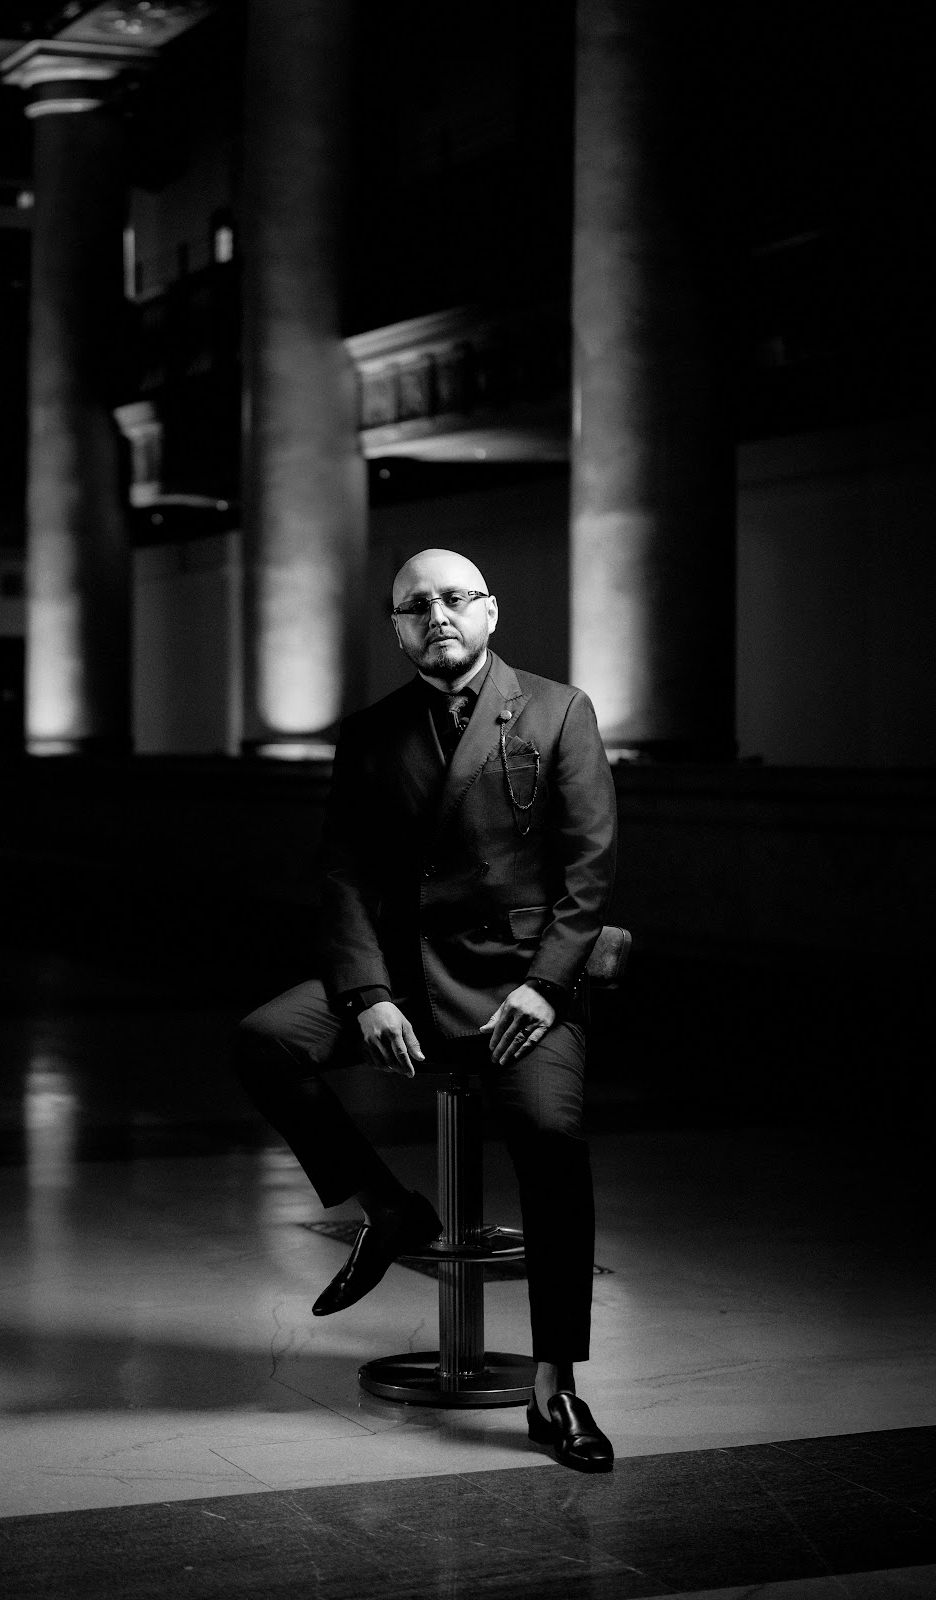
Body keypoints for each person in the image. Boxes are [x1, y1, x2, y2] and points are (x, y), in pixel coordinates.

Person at [236, 548, 618, 1472]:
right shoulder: (372, 733)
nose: (437, 615)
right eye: (417, 606)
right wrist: (367, 995)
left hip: (522, 982)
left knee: (551, 1137)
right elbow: (344, 876)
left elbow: (589, 869)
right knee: (266, 1039)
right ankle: (390, 1208)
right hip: (404, 975)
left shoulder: (559, 709)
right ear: (399, 629)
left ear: (490, 611)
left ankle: (556, 1383)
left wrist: (546, 984)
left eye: (455, 598)